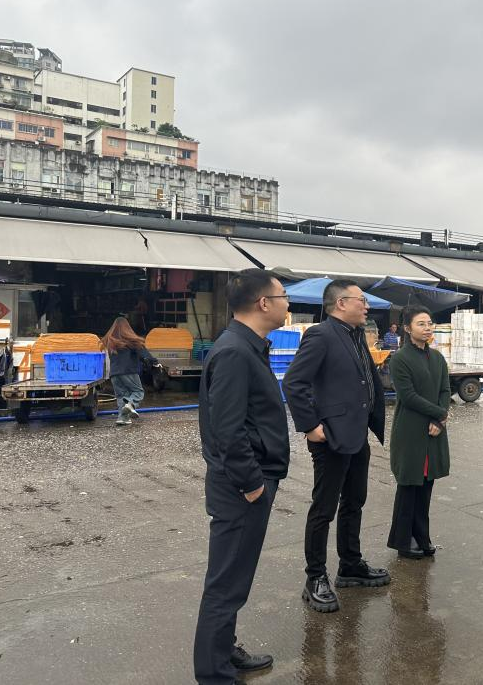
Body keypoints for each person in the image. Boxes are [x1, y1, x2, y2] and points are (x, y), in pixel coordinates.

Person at [193, 269, 291, 685]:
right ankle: (214, 673)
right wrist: (252, 484)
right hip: (241, 487)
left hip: (247, 482)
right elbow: (228, 430)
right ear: (263, 303)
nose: (288, 304)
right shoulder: (235, 351)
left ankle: (223, 650)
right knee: (226, 583)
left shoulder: (248, 346)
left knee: (235, 578)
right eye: (283, 296)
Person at [283, 278, 389, 614]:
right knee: (324, 508)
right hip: (331, 437)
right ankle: (315, 577)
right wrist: (310, 426)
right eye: (361, 300)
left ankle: (350, 564)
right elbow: (294, 382)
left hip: (357, 434)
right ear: (341, 303)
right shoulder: (321, 335)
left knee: (355, 501)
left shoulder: (355, 335)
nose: (367, 306)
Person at [386, 306, 451, 559]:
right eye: (421, 324)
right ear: (407, 328)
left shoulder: (437, 358)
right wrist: (439, 413)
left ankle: (422, 536)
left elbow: (445, 390)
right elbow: (408, 396)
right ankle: (404, 540)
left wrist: (439, 419)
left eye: (430, 323)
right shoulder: (400, 358)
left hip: (433, 430)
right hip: (411, 430)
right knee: (409, 486)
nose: (427, 328)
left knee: (426, 486)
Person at [100, 316, 161, 426]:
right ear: (127, 328)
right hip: (129, 372)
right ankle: (131, 404)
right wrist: (155, 362)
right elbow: (144, 354)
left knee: (121, 396)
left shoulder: (110, 342)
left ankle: (122, 418)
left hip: (114, 374)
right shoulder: (131, 341)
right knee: (138, 392)